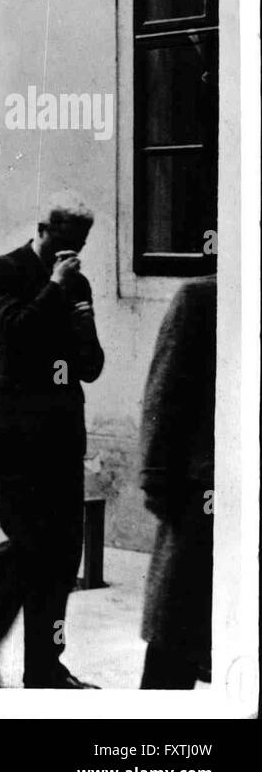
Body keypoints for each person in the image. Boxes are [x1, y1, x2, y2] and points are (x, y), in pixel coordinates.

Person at [0, 192, 105, 689]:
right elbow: (14, 335)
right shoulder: (3, 271)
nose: (73, 252)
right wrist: (54, 288)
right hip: (14, 432)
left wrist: (78, 313)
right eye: (66, 241)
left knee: (63, 554)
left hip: (62, 432)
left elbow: (90, 365)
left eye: (81, 244)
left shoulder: (77, 283)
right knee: (27, 545)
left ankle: (45, 665)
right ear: (44, 229)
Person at [138, 275, 216, 689]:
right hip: (202, 493)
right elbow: (163, 394)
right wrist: (155, 478)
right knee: (176, 636)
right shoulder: (202, 298)